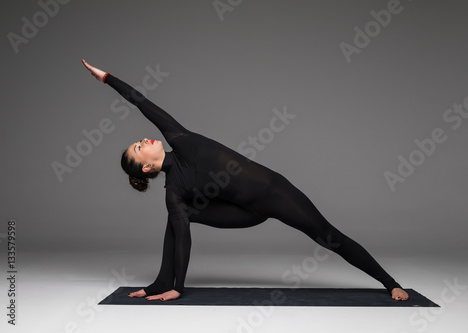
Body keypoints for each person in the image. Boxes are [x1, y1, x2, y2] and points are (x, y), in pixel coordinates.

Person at [81, 59, 409, 302]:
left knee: (328, 236)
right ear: (147, 169)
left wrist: (107, 78)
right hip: (244, 214)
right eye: (139, 148)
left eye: (139, 141)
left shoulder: (179, 138)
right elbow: (183, 240)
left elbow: (140, 101)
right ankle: (165, 283)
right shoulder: (174, 191)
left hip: (275, 193)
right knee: (178, 215)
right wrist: (179, 287)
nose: (143, 140)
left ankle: (389, 282)